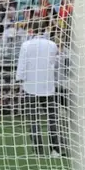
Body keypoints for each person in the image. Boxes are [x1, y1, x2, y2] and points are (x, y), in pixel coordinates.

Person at [16, 20, 63, 156]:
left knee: (33, 119)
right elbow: (54, 63)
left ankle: (38, 150)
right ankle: (55, 149)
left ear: (32, 30)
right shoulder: (52, 45)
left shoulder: (26, 45)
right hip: (47, 86)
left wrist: (20, 80)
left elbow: (22, 65)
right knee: (52, 118)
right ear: (44, 30)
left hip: (30, 86)